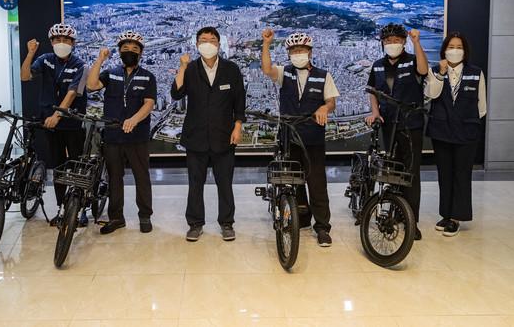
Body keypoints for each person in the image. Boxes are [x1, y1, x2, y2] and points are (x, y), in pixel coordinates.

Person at [260, 29, 339, 247]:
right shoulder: (284, 73)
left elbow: (331, 102)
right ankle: (301, 218)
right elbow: (266, 69)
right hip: (288, 136)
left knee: (317, 183)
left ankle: (322, 227)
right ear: (289, 53)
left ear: (309, 52)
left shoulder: (323, 75)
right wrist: (266, 44)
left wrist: (324, 107)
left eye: (301, 49)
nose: (298, 53)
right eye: (294, 50)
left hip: (313, 137)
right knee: (292, 180)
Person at [170, 26, 246, 242]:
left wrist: (238, 126)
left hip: (224, 136)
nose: (208, 44)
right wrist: (182, 67)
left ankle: (227, 223)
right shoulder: (190, 69)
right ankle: (195, 224)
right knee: (195, 184)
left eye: (212, 40)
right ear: (196, 44)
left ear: (219, 44)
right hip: (196, 137)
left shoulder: (231, 69)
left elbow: (239, 100)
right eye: (203, 40)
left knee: (225, 183)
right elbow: (176, 94)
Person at [86, 30, 157, 235]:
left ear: (141, 53)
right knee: (114, 178)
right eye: (125, 48)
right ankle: (116, 217)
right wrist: (100, 60)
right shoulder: (111, 73)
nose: (130, 51)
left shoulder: (148, 76)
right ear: (119, 51)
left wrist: (134, 119)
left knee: (141, 177)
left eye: (134, 48)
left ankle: (145, 215)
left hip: (137, 136)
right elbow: (91, 85)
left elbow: (149, 103)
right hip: (113, 135)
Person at [20, 23, 88, 227]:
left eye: (66, 40)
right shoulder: (45, 59)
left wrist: (58, 115)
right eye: (57, 39)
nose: (61, 43)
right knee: (58, 167)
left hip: (72, 121)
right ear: (51, 42)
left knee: (76, 166)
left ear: (73, 43)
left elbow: (72, 92)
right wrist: (30, 54)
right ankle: (61, 207)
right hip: (50, 122)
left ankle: (80, 208)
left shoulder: (81, 65)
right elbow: (25, 76)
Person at [365, 23, 428, 240]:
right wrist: (375, 112)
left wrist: (417, 42)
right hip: (388, 124)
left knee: (411, 174)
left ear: (403, 42)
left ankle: (412, 221)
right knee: (391, 170)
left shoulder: (412, 60)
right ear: (383, 43)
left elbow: (423, 71)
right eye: (388, 40)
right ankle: (394, 212)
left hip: (411, 125)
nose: (392, 44)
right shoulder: (377, 66)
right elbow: (373, 91)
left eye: (397, 40)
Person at [424, 32, 486, 237]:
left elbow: (482, 106)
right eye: (451, 47)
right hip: (441, 131)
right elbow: (431, 94)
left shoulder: (475, 73)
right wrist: (441, 74)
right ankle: (446, 214)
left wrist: (464, 120)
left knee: (461, 174)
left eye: (459, 47)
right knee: (445, 174)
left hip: (466, 132)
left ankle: (456, 218)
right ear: (444, 50)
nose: (455, 50)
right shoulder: (435, 71)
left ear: (465, 51)